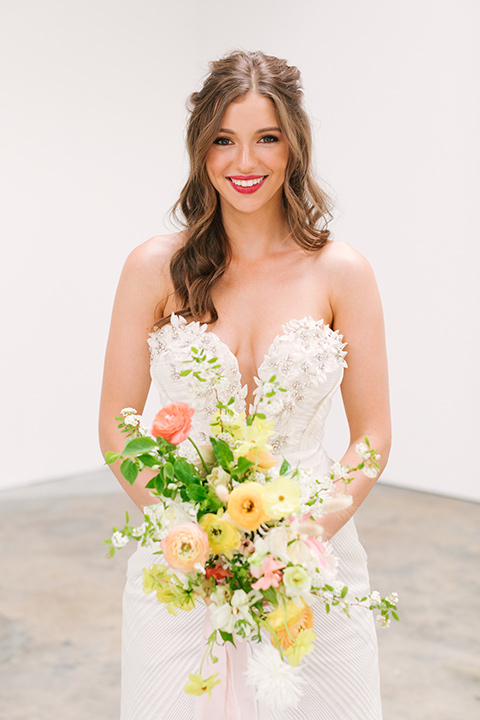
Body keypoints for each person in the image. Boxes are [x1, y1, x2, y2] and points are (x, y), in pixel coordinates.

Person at [99, 50, 391, 720]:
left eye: (267, 138)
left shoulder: (342, 273)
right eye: (224, 141)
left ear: (294, 146)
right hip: (183, 560)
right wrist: (188, 533)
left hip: (312, 559)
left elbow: (373, 436)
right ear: (201, 150)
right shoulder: (153, 268)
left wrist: (305, 535)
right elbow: (117, 423)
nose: (245, 162)